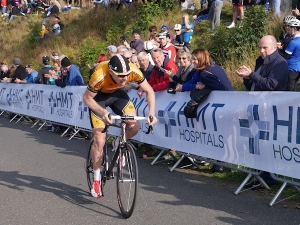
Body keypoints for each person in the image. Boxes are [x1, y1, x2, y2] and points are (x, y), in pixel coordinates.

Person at [83, 54, 157, 198]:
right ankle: (97, 180)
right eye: (121, 76)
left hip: (118, 94)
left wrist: (151, 112)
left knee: (134, 126)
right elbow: (86, 98)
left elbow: (149, 90)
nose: (125, 78)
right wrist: (102, 112)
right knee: (100, 139)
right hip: (98, 98)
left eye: (126, 75)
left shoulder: (133, 71)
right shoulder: (99, 75)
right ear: (111, 72)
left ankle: (118, 143)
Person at [236, 35, 288, 189]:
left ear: (274, 47)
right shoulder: (261, 62)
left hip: (269, 110)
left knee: (265, 145)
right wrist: (246, 77)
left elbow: (271, 85)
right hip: (256, 108)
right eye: (260, 47)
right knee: (256, 145)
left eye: (265, 48)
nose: (262, 51)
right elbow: (254, 84)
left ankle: (268, 178)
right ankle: (258, 175)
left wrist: (251, 74)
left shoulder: (280, 63)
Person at [282, 19, 300, 91]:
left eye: (289, 28)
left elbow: (285, 56)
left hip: (291, 68)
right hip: (298, 68)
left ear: (295, 28)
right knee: (294, 89)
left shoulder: (293, 42)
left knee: (289, 90)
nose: (288, 29)